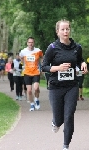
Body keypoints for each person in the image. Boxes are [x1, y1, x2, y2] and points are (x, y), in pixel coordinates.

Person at [42, 19, 88, 150]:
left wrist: (83, 64)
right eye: (62, 29)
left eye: (67, 29)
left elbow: (80, 61)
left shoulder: (77, 47)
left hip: (71, 86)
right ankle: (55, 122)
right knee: (59, 118)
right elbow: (44, 67)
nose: (65, 31)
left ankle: (66, 146)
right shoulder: (52, 48)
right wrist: (58, 68)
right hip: (56, 86)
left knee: (69, 116)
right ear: (58, 32)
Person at [19, 37, 43, 111]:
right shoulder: (23, 51)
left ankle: (37, 99)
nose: (30, 44)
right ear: (27, 43)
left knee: (36, 88)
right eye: (29, 42)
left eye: (32, 42)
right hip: (27, 72)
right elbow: (21, 58)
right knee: (29, 91)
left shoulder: (38, 51)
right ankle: (32, 104)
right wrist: (24, 64)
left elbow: (42, 58)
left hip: (36, 72)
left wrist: (41, 67)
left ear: (34, 43)